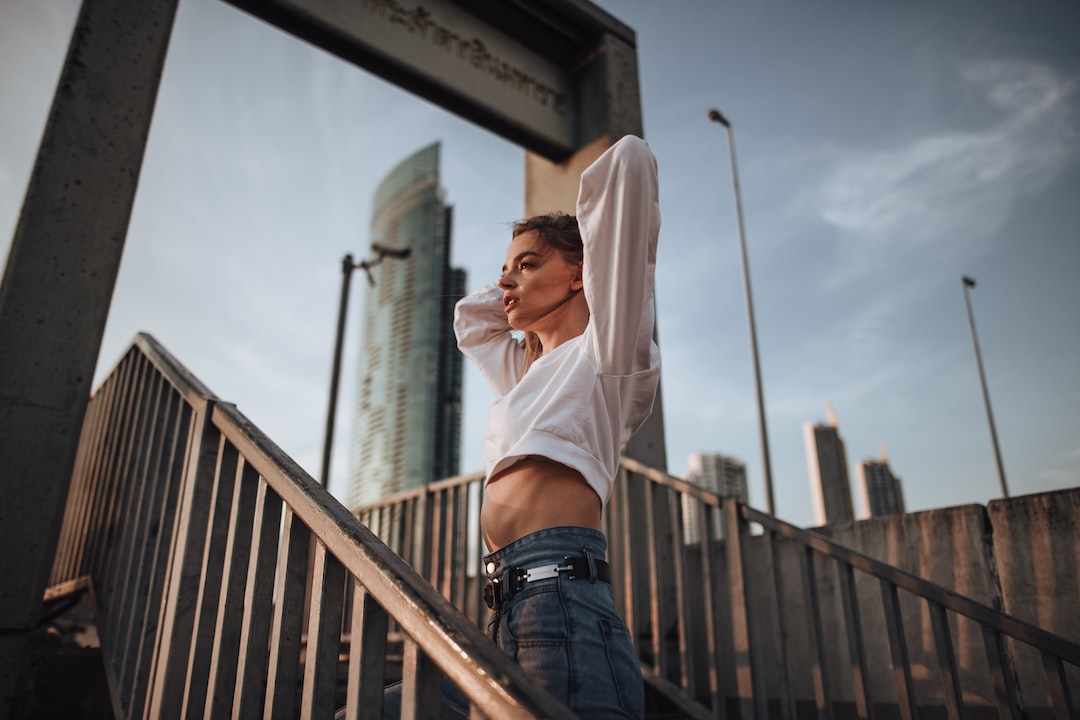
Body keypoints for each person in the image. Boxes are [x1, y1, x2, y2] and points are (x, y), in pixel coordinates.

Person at [452, 134, 661, 718]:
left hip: (560, 598)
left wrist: (579, 255)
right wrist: (523, 278)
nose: (506, 283)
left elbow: (630, 161)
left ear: (581, 274)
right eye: (503, 271)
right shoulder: (524, 374)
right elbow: (470, 322)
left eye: (527, 265)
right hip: (505, 604)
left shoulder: (606, 354)